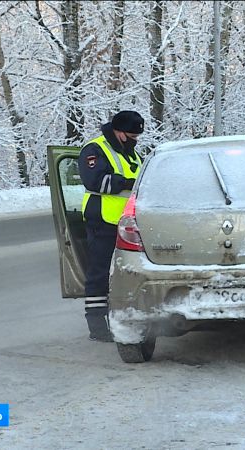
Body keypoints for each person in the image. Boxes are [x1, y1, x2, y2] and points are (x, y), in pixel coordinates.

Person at [78, 111, 144, 341]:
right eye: (131, 135)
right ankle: (97, 326)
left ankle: (125, 317)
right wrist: (126, 183)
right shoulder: (94, 150)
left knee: (127, 272)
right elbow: (95, 180)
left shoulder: (131, 153)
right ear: (118, 132)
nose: (135, 140)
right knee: (99, 273)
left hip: (129, 225)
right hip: (102, 221)